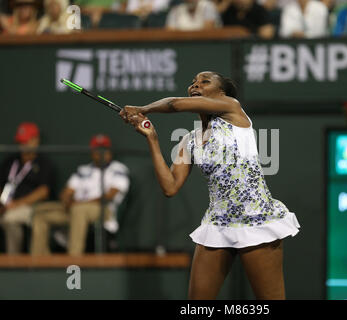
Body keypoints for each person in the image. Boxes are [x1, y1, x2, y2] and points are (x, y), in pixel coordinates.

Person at [119, 71, 300, 299]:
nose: (195, 85)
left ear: (221, 92)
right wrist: (152, 139)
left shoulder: (232, 108)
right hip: (218, 223)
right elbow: (170, 187)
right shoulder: (189, 140)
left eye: (205, 82)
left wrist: (142, 109)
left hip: (256, 217)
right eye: (193, 82)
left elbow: (175, 104)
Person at [31, 134, 130, 256]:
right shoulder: (83, 170)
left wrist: (79, 204)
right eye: (97, 150)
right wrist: (67, 201)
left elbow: (109, 195)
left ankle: (74, 258)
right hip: (76, 208)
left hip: (103, 210)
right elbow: (66, 192)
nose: (101, 153)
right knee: (41, 213)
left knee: (79, 210)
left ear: (109, 152)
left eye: (104, 149)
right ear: (92, 152)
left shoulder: (118, 168)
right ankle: (39, 260)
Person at [0, 122, 52, 254]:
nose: (22, 146)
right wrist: (3, 203)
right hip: (6, 205)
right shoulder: (11, 160)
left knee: (10, 219)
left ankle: (14, 262)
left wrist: (16, 204)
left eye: (26, 142)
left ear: (36, 141)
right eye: (20, 142)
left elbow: (43, 192)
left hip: (32, 207)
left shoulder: (43, 163)